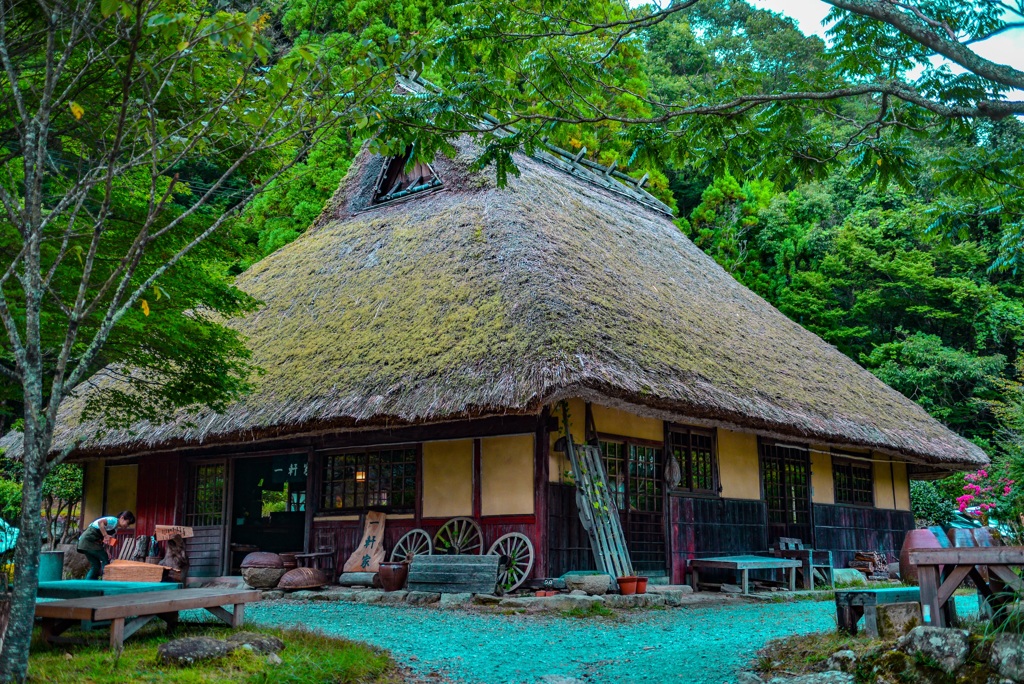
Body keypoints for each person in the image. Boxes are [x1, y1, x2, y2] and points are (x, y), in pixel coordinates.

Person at [77, 510, 135, 580]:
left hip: (85, 543)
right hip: (88, 540)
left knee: (96, 566)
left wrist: (107, 550)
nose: (127, 526)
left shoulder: (115, 529)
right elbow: (100, 522)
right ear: (122, 518)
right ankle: (106, 581)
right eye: (127, 523)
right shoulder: (113, 520)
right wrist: (105, 535)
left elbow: (107, 540)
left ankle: (89, 585)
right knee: (105, 559)